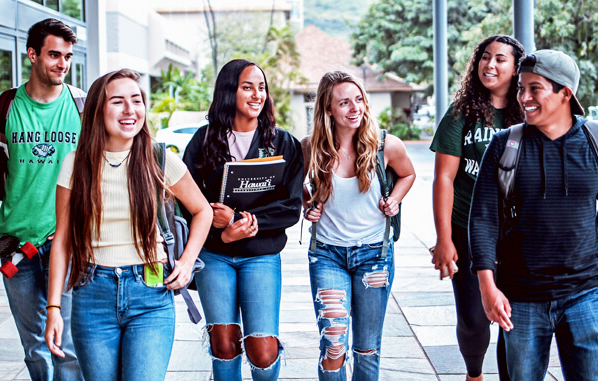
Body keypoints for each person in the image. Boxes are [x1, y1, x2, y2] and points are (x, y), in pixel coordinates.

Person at [44, 69, 212, 381]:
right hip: (92, 293)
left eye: (136, 101)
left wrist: (187, 263)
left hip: (150, 293)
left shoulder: (159, 158)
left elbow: (203, 211)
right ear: (98, 110)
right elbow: (63, 241)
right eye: (118, 102)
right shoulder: (76, 163)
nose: (130, 110)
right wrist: (54, 307)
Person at [470, 50, 598, 380]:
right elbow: (483, 218)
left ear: (565, 93)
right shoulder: (505, 145)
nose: (524, 98)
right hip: (520, 298)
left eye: (535, 88)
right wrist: (487, 286)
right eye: (521, 88)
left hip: (585, 294)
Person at [0, 18, 84, 380]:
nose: (62, 64)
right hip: (15, 244)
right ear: (32, 54)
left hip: (65, 239)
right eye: (54, 54)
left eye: (67, 56)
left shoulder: (84, 106)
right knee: (33, 346)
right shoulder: (1, 107)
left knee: (66, 344)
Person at [182, 59, 303, 381]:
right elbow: (186, 203)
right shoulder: (203, 141)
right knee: (223, 344)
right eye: (247, 87)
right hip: (214, 254)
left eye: (261, 87)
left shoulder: (283, 143)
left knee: (261, 350)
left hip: (261, 256)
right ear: (228, 91)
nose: (256, 95)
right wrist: (221, 234)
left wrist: (238, 221)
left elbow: (291, 207)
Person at [303, 70, 415, 380]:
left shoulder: (385, 145)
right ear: (328, 108)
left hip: (374, 256)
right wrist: (308, 206)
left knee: (367, 347)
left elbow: (408, 175)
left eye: (359, 100)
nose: (355, 109)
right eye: (344, 103)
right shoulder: (311, 147)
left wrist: (394, 199)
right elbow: (296, 187)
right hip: (327, 255)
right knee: (333, 345)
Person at [429, 35, 525, 381]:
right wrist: (444, 239)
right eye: (485, 57)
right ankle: (474, 375)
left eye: (501, 59)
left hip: (517, 233)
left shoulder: (528, 114)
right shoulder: (461, 114)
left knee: (516, 316)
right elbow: (444, 179)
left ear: (516, 69)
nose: (491, 65)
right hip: (467, 227)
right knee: (472, 318)